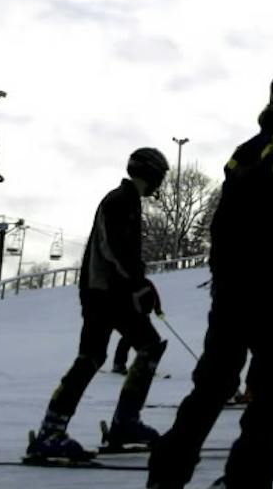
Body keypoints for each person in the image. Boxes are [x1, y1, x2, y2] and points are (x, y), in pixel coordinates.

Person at [126, 68, 273, 489]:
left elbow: (222, 226)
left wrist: (226, 280)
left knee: (214, 382)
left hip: (232, 286)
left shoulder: (248, 150)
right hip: (271, 285)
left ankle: (164, 485)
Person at [28, 148, 171, 460]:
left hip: (107, 291)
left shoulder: (127, 200)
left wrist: (142, 284)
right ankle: (117, 424)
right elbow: (114, 248)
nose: (161, 183)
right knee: (139, 347)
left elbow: (123, 253)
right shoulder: (120, 200)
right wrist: (137, 283)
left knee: (100, 355)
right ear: (151, 174)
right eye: (160, 176)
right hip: (106, 293)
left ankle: (57, 429)